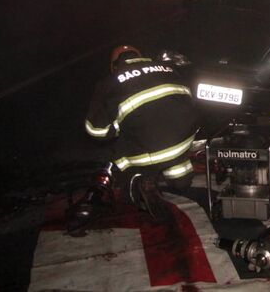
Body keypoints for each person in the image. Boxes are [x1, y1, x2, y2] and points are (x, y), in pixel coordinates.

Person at [66, 45, 199, 235]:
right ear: (140, 57)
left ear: (114, 66)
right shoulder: (167, 68)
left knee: (117, 154)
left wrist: (119, 125)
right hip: (185, 141)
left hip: (151, 148)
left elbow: (95, 131)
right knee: (181, 181)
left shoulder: (109, 82)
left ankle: (138, 178)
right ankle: (179, 176)